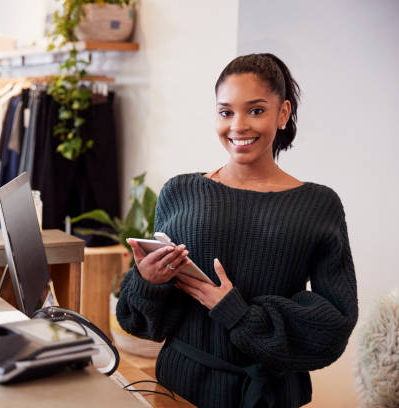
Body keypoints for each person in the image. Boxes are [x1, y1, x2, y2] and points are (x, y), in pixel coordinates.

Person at [117, 53, 358, 408]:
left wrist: (239, 314)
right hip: (178, 390)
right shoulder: (180, 191)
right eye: (226, 112)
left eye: (256, 110)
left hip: (269, 397)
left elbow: (334, 324)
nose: (238, 125)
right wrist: (149, 281)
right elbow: (140, 324)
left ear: (283, 113)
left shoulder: (319, 205)